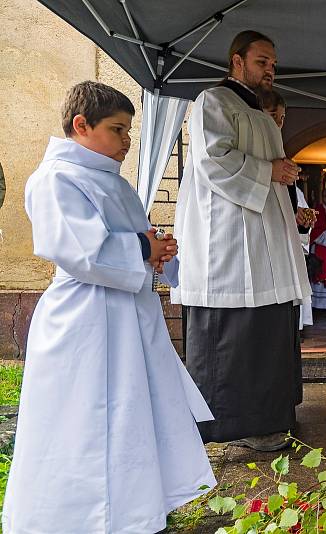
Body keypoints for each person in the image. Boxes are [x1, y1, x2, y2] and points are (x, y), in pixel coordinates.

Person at [3, 81, 215, 533]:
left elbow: (136, 245)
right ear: (81, 125)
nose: (126, 143)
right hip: (84, 320)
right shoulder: (54, 178)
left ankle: (132, 512)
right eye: (118, 130)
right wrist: (144, 246)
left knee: (129, 413)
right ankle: (69, 518)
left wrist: (159, 249)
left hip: (126, 316)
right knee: (82, 419)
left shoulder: (112, 183)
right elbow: (77, 251)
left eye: (129, 133)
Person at [173, 30, 310, 452]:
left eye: (273, 63)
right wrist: (270, 171)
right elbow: (214, 159)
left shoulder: (261, 114)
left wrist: (280, 171)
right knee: (234, 337)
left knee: (266, 331)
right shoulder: (213, 101)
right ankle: (231, 426)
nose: (271, 69)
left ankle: (268, 421)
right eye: (262, 61)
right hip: (228, 242)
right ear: (237, 60)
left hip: (265, 243)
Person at [260, 88, 316, 333]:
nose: (278, 124)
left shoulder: (283, 162)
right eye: (273, 116)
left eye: (282, 119)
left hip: (284, 254)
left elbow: (289, 210)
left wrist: (301, 220)